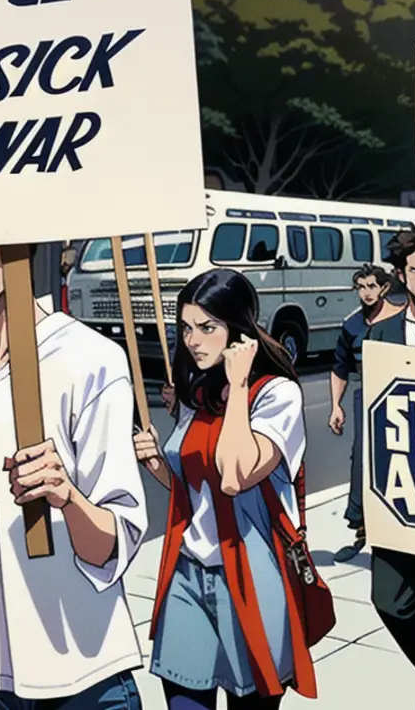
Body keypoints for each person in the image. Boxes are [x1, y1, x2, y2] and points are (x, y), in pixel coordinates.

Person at [0, 245, 147, 710]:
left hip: (82, 669)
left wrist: (68, 497)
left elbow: (113, 544)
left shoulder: (92, 360)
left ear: (19, 246)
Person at [133, 268, 317, 710]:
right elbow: (194, 491)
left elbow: (235, 476)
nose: (194, 340)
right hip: (188, 572)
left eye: (208, 327)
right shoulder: (197, 392)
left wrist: (237, 385)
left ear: (239, 330)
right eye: (187, 328)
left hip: (251, 574)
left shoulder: (276, 395)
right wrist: (158, 461)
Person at [364, 224, 415, 710]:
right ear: (401, 275)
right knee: (389, 597)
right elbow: (369, 420)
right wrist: (360, 503)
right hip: (398, 492)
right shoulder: (382, 333)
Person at [329, 263, 398, 563]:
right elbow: (340, 368)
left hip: (399, 396)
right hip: (366, 395)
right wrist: (335, 405)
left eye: (372, 286)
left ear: (383, 288)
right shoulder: (352, 324)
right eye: (361, 287)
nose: (367, 293)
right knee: (361, 461)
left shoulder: (402, 318)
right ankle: (360, 529)